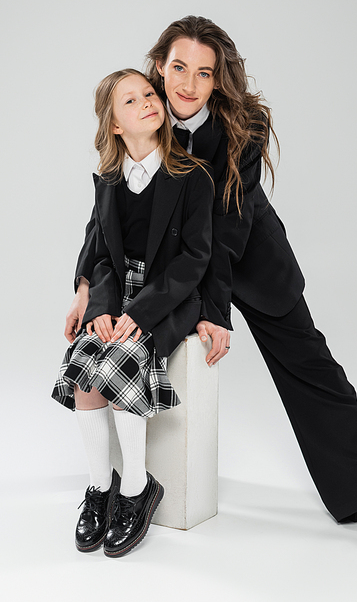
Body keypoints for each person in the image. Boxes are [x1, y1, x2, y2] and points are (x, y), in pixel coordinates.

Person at [66, 17, 357, 542]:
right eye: (178, 68)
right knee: (111, 356)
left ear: (217, 80)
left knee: (309, 362)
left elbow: (227, 231)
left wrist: (214, 313)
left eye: (203, 74)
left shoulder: (239, 131)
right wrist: (85, 288)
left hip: (245, 255)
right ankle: (124, 486)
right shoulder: (139, 106)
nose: (187, 85)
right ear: (159, 65)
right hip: (171, 264)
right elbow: (107, 205)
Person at [53, 68, 221, 557]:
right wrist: (100, 307)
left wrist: (141, 314)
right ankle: (99, 488)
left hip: (167, 299)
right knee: (86, 366)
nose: (148, 101)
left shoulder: (192, 177)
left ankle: (134, 490)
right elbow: (103, 254)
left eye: (149, 94)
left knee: (125, 358)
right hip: (117, 293)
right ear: (115, 126)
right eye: (131, 101)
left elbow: (195, 260)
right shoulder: (108, 181)